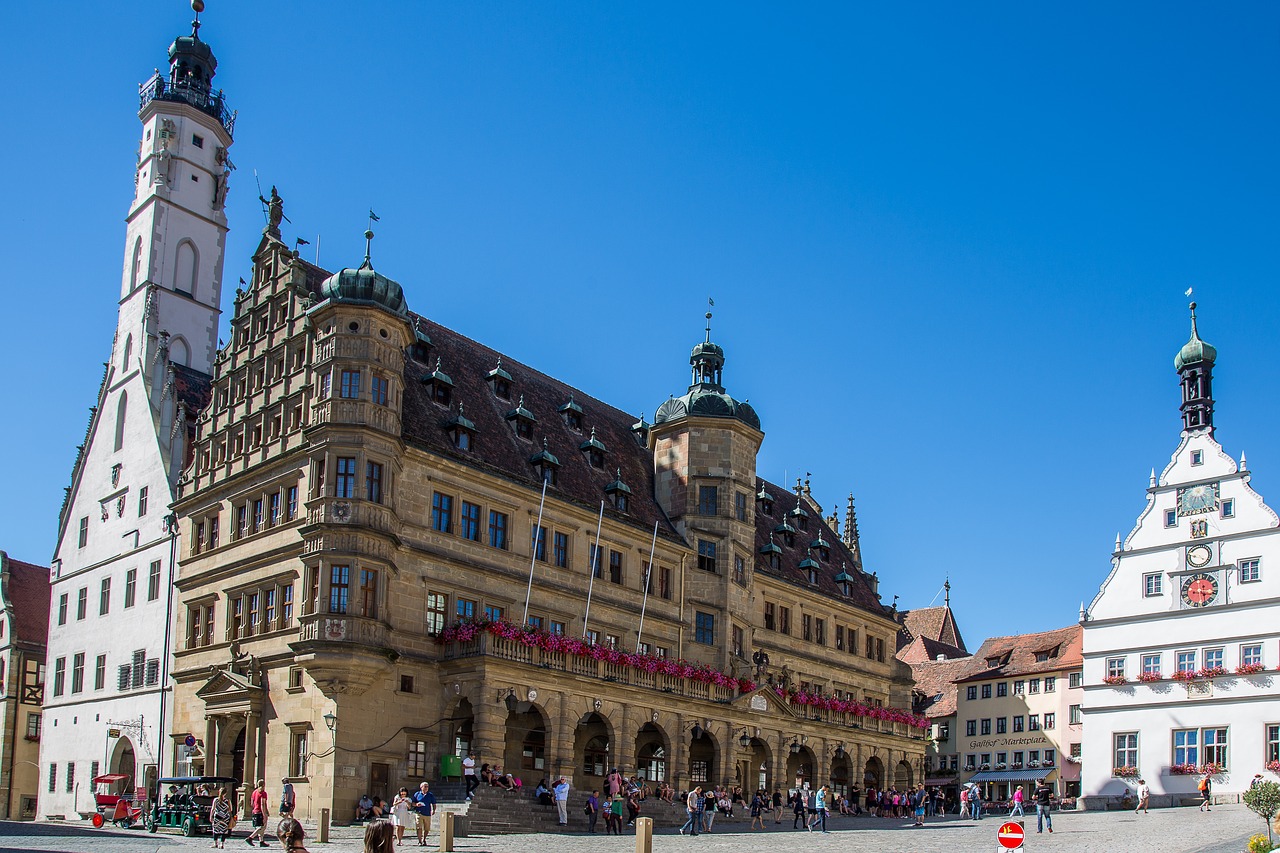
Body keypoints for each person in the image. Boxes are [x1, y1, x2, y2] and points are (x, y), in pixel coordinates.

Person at [246, 780, 270, 847]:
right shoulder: (263, 793)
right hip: (260, 812)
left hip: (255, 811)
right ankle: (250, 838)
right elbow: (262, 804)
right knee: (261, 827)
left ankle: (261, 841)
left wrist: (254, 808)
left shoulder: (254, 792)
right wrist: (264, 814)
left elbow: (252, 803)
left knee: (259, 827)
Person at [412, 782, 436, 846]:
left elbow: (434, 803)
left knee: (427, 828)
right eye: (425, 786)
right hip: (419, 813)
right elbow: (413, 803)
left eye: (427, 787)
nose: (426, 788)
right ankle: (419, 841)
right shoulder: (417, 794)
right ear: (421, 787)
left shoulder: (430, 795)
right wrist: (416, 804)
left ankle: (424, 839)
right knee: (419, 827)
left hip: (427, 813)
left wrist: (433, 810)